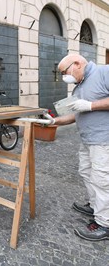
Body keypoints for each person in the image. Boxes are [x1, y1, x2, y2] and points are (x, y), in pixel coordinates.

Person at [46, 53, 109, 242]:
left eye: (65, 72)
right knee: (86, 173)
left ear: (77, 64)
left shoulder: (104, 72)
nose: (65, 76)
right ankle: (95, 205)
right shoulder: (79, 86)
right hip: (87, 140)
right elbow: (74, 115)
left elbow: (88, 107)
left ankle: (105, 224)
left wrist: (90, 105)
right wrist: (54, 121)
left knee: (101, 180)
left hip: (103, 140)